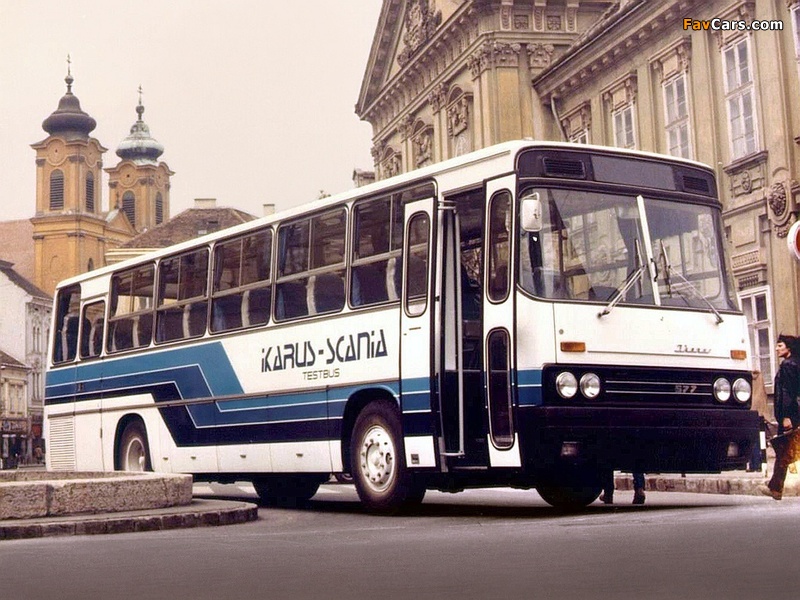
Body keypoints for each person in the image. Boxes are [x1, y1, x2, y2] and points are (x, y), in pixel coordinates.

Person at [761, 334, 800, 500]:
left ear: (788, 348)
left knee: (785, 450)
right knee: (787, 450)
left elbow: (787, 392)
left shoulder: (788, 365)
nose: (776, 349)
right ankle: (775, 487)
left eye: (780, 345)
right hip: (795, 413)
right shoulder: (795, 363)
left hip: (791, 415)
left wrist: (786, 417)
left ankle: (775, 488)